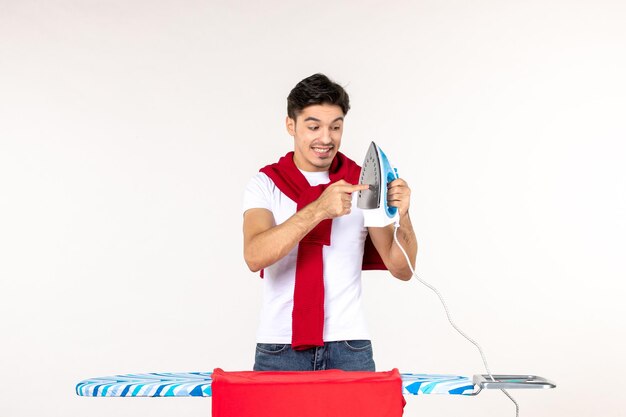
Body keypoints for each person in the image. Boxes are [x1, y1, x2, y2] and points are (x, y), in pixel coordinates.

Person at [242, 73, 417, 372]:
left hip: (349, 346)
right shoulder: (265, 184)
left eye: (335, 127)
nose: (326, 138)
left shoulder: (364, 183)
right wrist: (318, 209)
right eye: (314, 127)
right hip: (279, 347)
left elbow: (402, 269)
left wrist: (404, 215)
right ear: (290, 125)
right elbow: (255, 256)